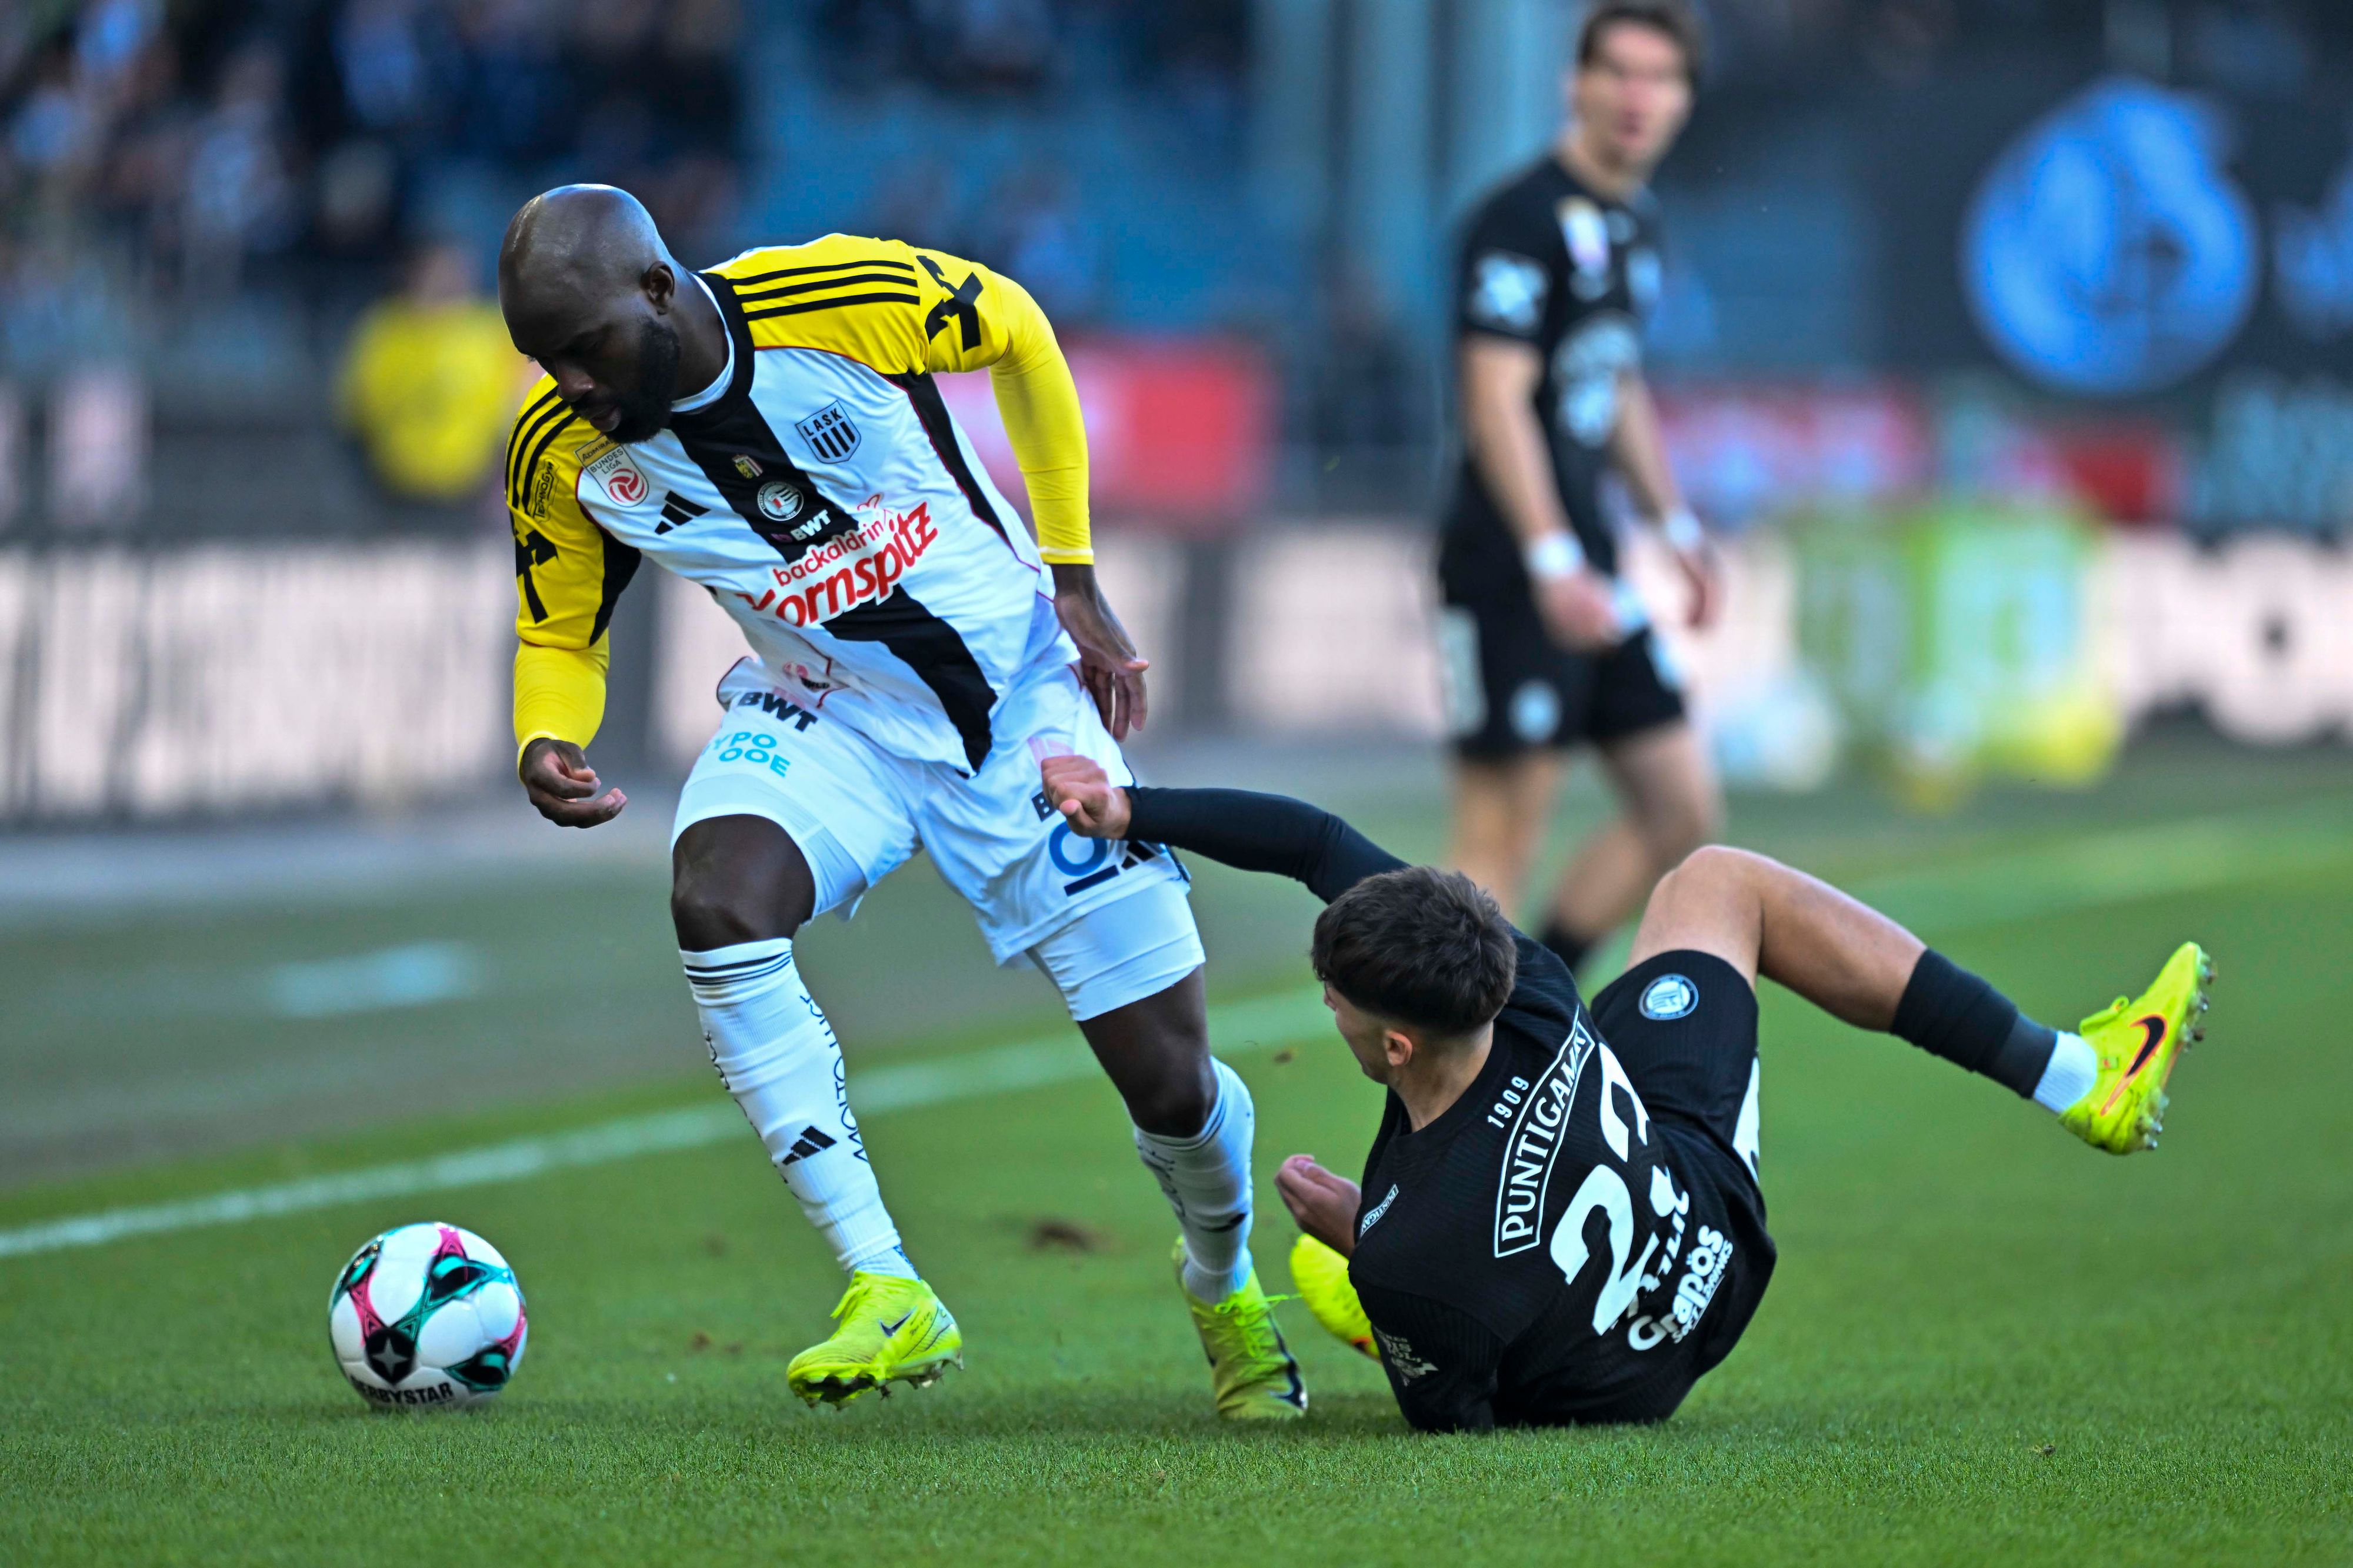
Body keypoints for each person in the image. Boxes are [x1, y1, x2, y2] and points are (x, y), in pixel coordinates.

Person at [494, 185, 1303, 1419]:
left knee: (1172, 1087)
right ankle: (884, 1281)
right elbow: (559, 631)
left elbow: (1021, 331)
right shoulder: (561, 453)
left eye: (585, 347)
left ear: (657, 289)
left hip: (1020, 713)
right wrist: (546, 730)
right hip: (832, 718)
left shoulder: (837, 300)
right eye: (546, 361)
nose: (572, 385)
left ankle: (1223, 1284)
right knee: (717, 895)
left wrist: (1073, 571)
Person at [1036, 752, 2211, 1432]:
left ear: (1395, 1044)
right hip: (1686, 1188)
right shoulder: (1527, 981)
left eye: (1335, 1000)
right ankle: (2070, 1074)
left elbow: (1463, 1421)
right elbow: (1310, 838)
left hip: (1655, 1348)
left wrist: (1369, 1250)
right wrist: (1134, 810)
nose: (1326, 1009)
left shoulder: (1414, 1249)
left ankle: (1377, 1303)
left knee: (1430, 1299)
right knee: (1718, 882)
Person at [1439, 0, 1722, 977]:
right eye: (1621, 73)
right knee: (1497, 840)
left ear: (1686, 100)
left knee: (1681, 808)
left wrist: (1674, 524)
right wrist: (1551, 556)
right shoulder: (1518, 219)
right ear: (1579, 85)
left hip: (1593, 560)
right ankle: (1424, 1088)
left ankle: (1544, 991)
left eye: (1662, 78)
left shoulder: (1634, 223)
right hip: (1509, 563)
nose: (1638, 97)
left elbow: (1617, 381)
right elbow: (1495, 400)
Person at [338, 242, 526, 503]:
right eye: (438, 270)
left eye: (456, 270)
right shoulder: (385, 328)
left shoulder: (494, 330)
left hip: (472, 485)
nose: (447, 279)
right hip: (391, 483)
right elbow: (356, 406)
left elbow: (520, 400)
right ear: (415, 272)